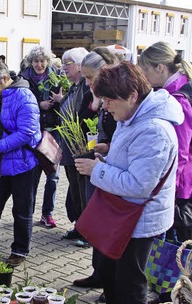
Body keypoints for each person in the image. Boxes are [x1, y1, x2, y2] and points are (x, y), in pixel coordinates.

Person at [75, 61, 180, 304]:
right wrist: (109, 151)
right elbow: (131, 161)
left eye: (109, 101)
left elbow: (138, 186)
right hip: (121, 212)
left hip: (139, 218)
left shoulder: (155, 130)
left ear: (132, 95)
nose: (105, 108)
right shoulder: (133, 116)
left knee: (131, 282)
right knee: (109, 274)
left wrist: (98, 170)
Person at [138, 41, 192, 242]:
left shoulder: (177, 100)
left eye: (145, 69)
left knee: (176, 248)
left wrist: (164, 186)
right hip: (191, 179)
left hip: (181, 184)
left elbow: (179, 151)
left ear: (160, 67)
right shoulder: (188, 90)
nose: (144, 76)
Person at [0, 59, 42, 268]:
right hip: (2, 162)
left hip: (24, 163)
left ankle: (20, 250)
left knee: (22, 209)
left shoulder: (24, 96)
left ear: (4, 78)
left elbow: (27, 133)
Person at [72, 47, 119, 291]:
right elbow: (81, 116)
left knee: (107, 228)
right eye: (86, 77)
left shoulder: (119, 95)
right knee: (96, 222)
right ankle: (98, 273)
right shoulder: (96, 94)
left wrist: (109, 146)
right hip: (99, 163)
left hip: (111, 171)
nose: (87, 82)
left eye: (91, 77)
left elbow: (122, 136)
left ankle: (109, 281)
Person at [50, 47, 92, 245]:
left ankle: (88, 232)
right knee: (75, 188)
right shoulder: (74, 86)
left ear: (80, 65)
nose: (64, 67)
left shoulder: (85, 86)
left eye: (67, 63)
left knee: (83, 190)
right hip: (69, 145)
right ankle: (80, 226)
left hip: (81, 146)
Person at [19, 46, 62, 228]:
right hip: (33, 132)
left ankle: (47, 213)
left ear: (48, 61)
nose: (39, 64)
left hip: (53, 131)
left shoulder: (57, 77)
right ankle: (26, 212)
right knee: (32, 175)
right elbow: (20, 102)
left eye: (42, 61)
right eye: (36, 61)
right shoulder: (23, 78)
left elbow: (65, 103)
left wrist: (60, 100)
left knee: (53, 175)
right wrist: (39, 104)